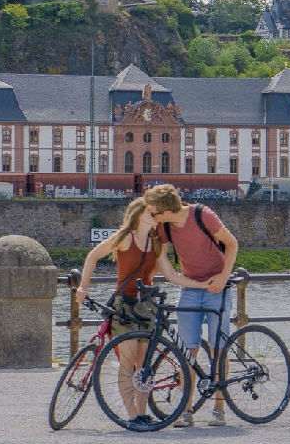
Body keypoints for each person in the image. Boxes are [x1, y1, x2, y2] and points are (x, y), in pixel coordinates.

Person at [75, 196, 209, 427]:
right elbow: (93, 255)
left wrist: (202, 284)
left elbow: (171, 275)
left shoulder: (157, 243)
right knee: (128, 363)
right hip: (124, 305)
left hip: (147, 307)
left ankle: (142, 412)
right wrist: (83, 286)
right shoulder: (125, 238)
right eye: (151, 213)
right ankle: (131, 415)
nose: (156, 216)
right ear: (138, 215)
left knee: (143, 365)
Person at [144, 183, 238, 428]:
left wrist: (224, 277)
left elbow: (231, 243)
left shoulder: (202, 215)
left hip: (218, 287)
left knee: (219, 350)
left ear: (166, 210)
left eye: (153, 212)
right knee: (187, 351)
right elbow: (162, 261)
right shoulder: (164, 227)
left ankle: (219, 406)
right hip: (190, 289)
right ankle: (186, 410)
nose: (151, 216)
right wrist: (153, 276)